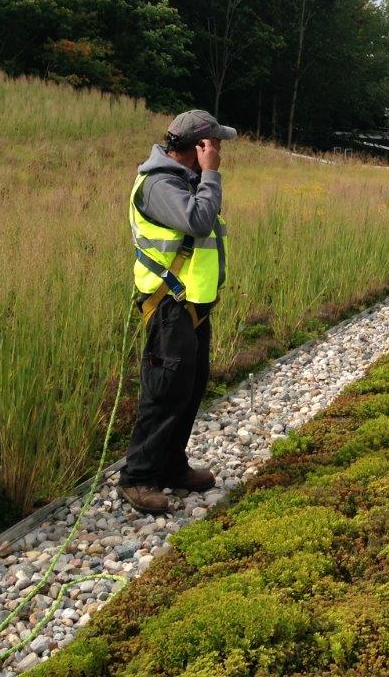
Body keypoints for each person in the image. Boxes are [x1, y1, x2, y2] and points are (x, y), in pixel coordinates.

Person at [120, 110, 235, 515]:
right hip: (168, 305)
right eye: (214, 143)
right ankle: (137, 478)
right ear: (199, 147)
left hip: (191, 305)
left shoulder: (182, 180)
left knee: (190, 386)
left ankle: (171, 466)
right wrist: (211, 174)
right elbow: (199, 221)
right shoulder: (159, 185)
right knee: (165, 391)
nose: (219, 149)